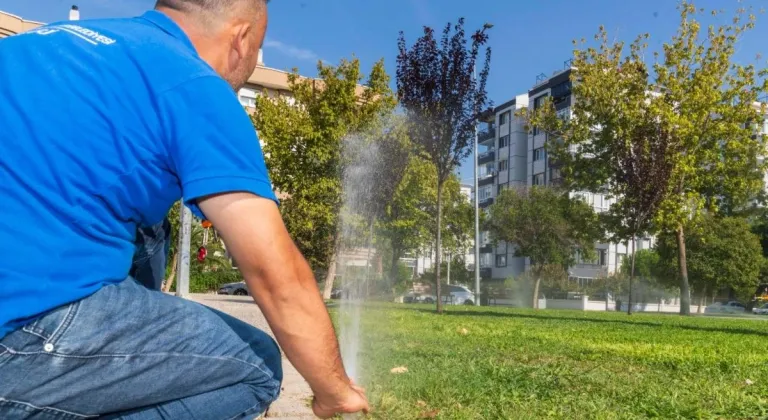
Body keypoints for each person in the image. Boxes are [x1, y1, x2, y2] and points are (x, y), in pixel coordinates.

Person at [0, 0, 368, 418]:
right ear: (242, 39)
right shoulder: (194, 83)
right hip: (18, 332)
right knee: (254, 367)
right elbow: (275, 275)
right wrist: (334, 390)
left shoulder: (36, 44)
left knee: (151, 229)